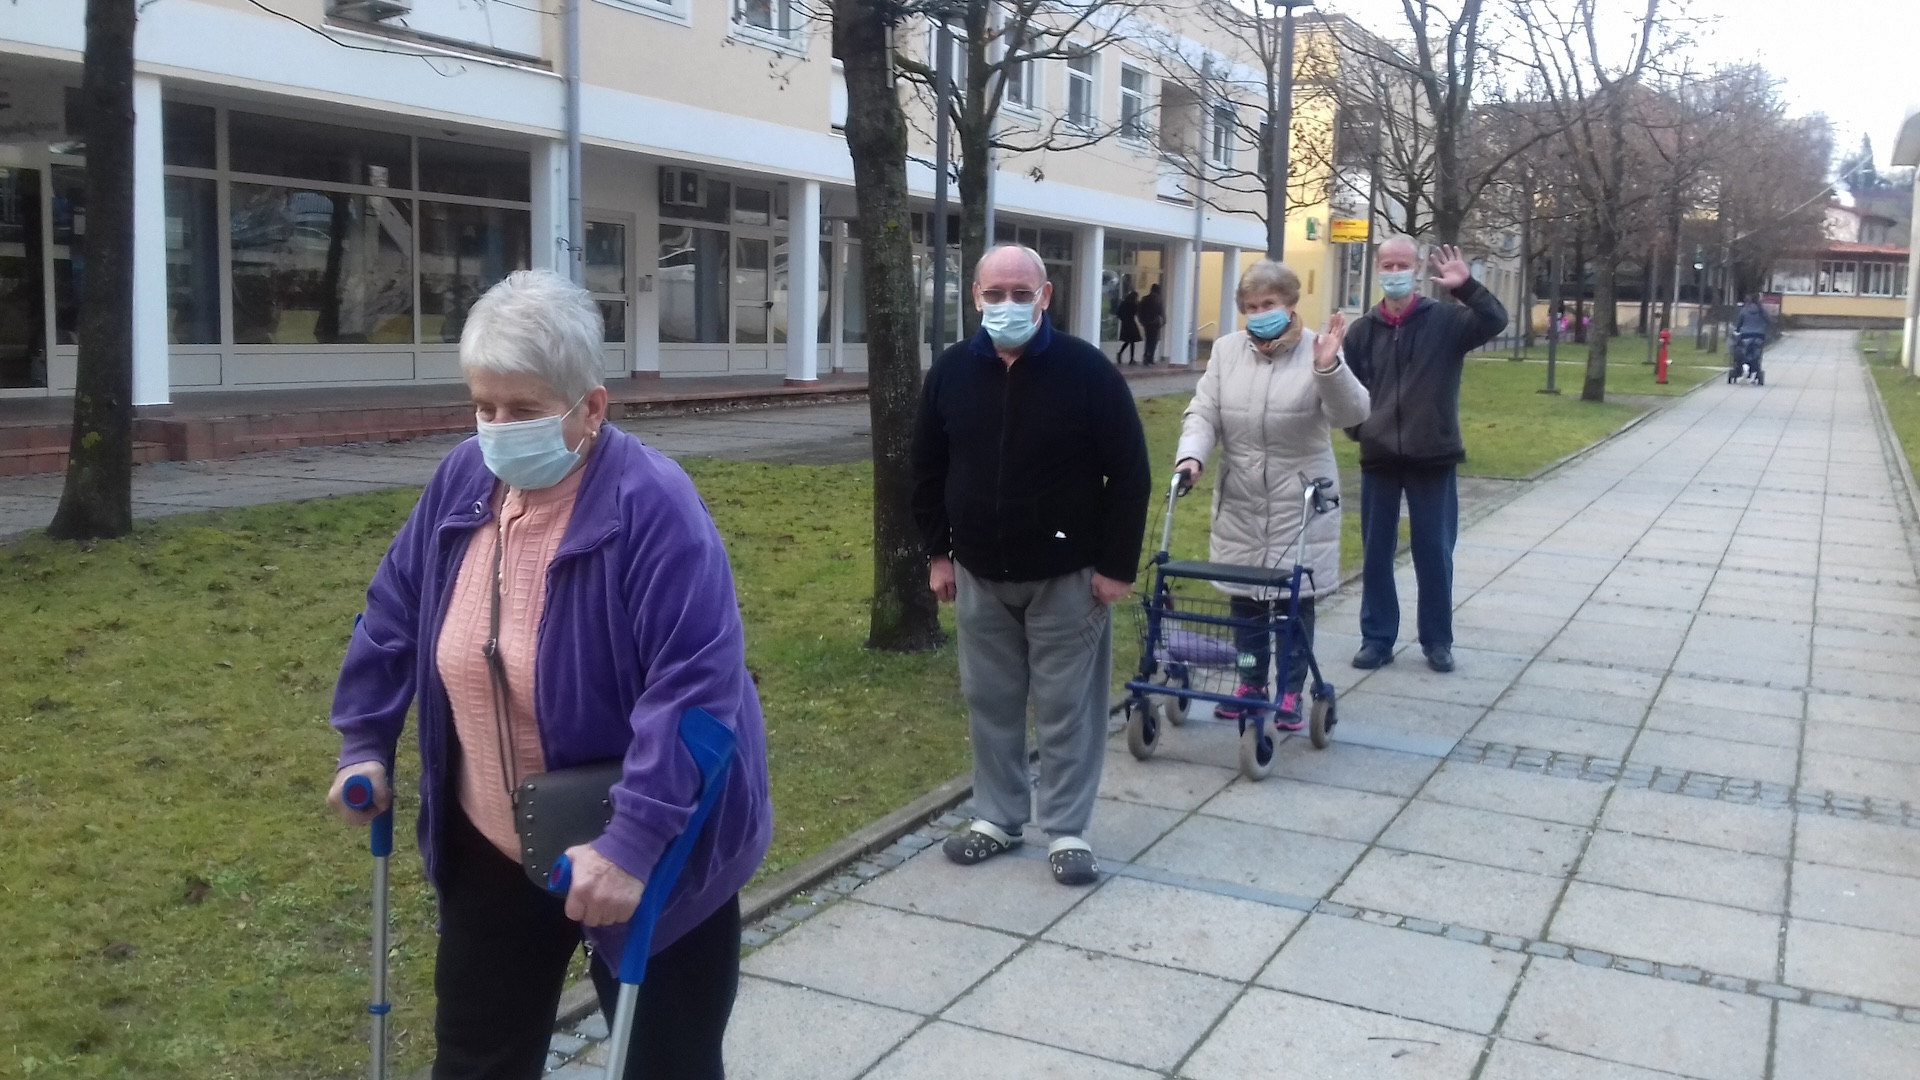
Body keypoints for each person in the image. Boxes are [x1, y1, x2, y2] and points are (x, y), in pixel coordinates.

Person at [325, 269, 771, 1080]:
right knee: (477, 1059)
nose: (496, 430)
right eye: (483, 406)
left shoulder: (654, 506)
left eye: (523, 411)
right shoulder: (464, 479)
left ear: (590, 408)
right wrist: (364, 738)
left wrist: (632, 846)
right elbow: (394, 609)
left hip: (648, 837)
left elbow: (695, 694)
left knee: (664, 1063)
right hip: (493, 831)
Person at [912, 243, 1151, 887]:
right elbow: (927, 470)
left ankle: (1068, 829)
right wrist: (938, 554)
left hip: (1069, 575)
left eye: (1022, 293)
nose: (1008, 304)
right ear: (975, 297)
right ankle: (998, 815)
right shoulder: (951, 374)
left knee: (1066, 706)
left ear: (1046, 297)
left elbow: (1129, 472)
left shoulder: (1087, 372)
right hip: (978, 574)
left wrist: (1116, 567)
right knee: (988, 699)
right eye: (995, 293)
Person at [1173, 261, 1370, 727]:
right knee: (1244, 605)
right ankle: (1249, 682)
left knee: (1292, 606)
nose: (1260, 313)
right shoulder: (1225, 352)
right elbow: (1204, 411)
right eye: (1252, 306)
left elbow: (1352, 413)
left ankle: (1289, 691)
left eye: (1270, 304)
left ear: (1289, 304)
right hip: (1240, 497)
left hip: (1299, 501)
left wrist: (1329, 368)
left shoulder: (1317, 350)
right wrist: (1192, 456)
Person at [1341, 238, 1507, 674]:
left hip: (1432, 454)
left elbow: (1495, 320)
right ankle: (1377, 639)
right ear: (1377, 268)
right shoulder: (1362, 331)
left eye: (1402, 264)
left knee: (1433, 551)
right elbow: (1347, 394)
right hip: (1379, 456)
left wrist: (1467, 287)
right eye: (1386, 264)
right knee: (1376, 552)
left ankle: (1437, 640)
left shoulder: (1447, 322)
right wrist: (1361, 431)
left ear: (1416, 271)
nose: (1394, 270)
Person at [1732, 293, 1770, 383]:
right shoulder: (1761, 311)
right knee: (1757, 355)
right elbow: (1769, 321)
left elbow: (1739, 323)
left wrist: (1737, 330)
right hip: (1759, 335)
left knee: (1741, 351)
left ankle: (1740, 368)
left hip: (1746, 334)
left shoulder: (1745, 310)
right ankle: (1755, 370)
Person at [1138, 282, 1166, 366]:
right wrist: (1164, 320)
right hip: (1155, 323)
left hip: (1147, 323)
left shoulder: (1144, 299)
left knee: (1148, 341)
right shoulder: (1157, 300)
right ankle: (1150, 358)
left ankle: (1147, 357)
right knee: (1153, 341)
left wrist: (1142, 321)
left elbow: (1140, 311)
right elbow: (1161, 311)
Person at [1115, 288, 1142, 365]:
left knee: (1128, 340)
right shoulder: (1134, 304)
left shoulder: (1124, 303)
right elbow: (1137, 312)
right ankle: (1131, 358)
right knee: (1132, 341)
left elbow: (1118, 313)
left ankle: (1121, 353)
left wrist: (1123, 318)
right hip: (1131, 323)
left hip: (1125, 323)